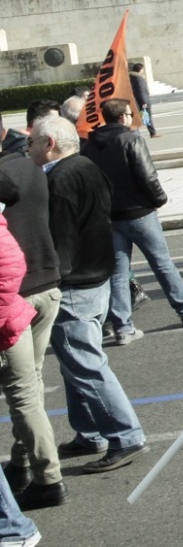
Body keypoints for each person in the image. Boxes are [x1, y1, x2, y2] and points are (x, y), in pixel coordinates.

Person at [28, 115, 150, 472]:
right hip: (96, 277)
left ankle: (126, 436)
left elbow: (60, 240)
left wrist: (51, 279)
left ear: (49, 143)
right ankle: (89, 431)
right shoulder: (87, 167)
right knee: (75, 362)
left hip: (74, 284)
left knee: (85, 364)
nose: (28, 147)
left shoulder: (60, 180)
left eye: (32, 141)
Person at [83, 98, 183, 345]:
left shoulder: (89, 146)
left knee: (118, 273)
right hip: (139, 212)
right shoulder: (130, 139)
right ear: (122, 117)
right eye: (129, 114)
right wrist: (160, 198)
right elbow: (147, 175)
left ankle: (123, 327)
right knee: (162, 263)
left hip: (110, 216)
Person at [0, 136, 66, 511]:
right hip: (46, 284)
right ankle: (23, 461)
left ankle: (47, 477)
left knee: (23, 393)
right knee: (31, 384)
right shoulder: (30, 166)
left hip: (15, 299)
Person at [128, 63, 156, 137]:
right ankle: (152, 133)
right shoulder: (138, 78)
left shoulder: (132, 78)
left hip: (138, 101)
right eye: (142, 69)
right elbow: (141, 91)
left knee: (144, 117)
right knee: (146, 117)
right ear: (140, 70)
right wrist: (144, 102)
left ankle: (152, 132)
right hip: (143, 101)